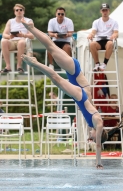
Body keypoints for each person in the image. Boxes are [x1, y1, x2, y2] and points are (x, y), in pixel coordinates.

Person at [20, 18, 108, 169]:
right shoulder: (98, 124)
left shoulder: (92, 124)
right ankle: (34, 45)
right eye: (93, 138)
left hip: (78, 87)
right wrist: (98, 163)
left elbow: (89, 108)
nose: (92, 139)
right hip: (77, 79)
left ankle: (35, 52)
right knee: (53, 53)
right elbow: (99, 145)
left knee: (55, 75)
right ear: (100, 133)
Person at [1, 4, 34, 73]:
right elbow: (4, 34)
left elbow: (32, 36)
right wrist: (9, 36)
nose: (19, 11)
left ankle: (19, 66)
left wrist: (23, 35)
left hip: (23, 41)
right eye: (17, 10)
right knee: (3, 41)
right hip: (12, 42)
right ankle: (8, 66)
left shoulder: (29, 21)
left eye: (20, 10)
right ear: (14, 12)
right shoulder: (10, 21)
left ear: (23, 12)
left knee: (21, 42)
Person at [87, 3, 119, 71]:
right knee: (92, 44)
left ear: (109, 11)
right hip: (99, 41)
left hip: (108, 40)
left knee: (110, 44)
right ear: (101, 11)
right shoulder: (96, 22)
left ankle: (104, 64)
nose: (105, 12)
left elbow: (116, 33)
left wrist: (114, 35)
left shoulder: (114, 22)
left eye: (106, 10)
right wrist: (91, 35)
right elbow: (93, 32)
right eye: (103, 10)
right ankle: (97, 63)